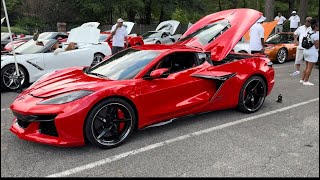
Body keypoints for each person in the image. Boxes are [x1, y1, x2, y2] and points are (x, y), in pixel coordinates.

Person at [300, 19, 319, 85]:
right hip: (312, 52)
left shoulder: (309, 32)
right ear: (316, 27)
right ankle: (306, 81)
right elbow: (317, 46)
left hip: (306, 50)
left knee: (307, 67)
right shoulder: (316, 35)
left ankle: (302, 79)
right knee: (310, 68)